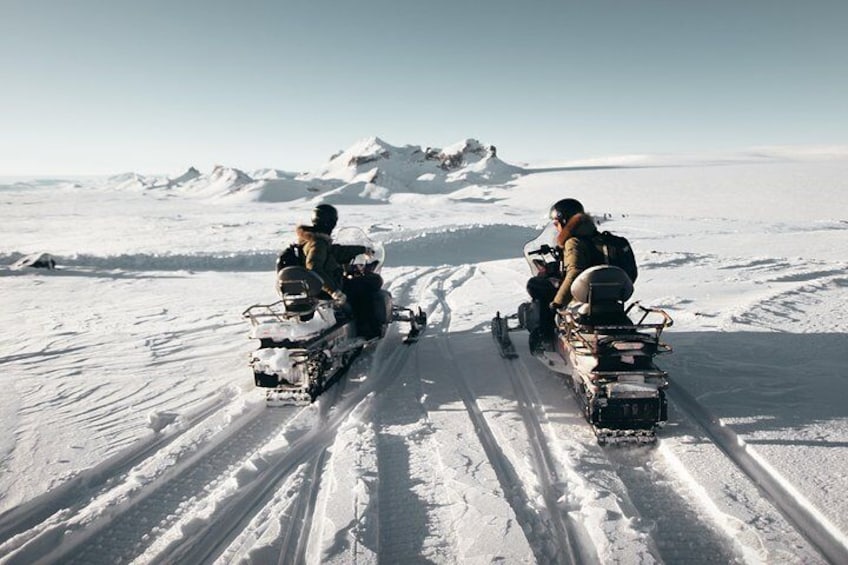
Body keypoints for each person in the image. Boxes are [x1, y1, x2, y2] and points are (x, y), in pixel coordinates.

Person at [526, 198, 602, 351]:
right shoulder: (596, 236)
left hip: (582, 292)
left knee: (538, 286)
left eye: (556, 224)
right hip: (604, 291)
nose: (557, 229)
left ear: (565, 221)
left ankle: (544, 337)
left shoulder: (573, 242)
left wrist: (557, 303)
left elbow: (574, 273)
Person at [296, 204, 367, 306]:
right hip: (325, 288)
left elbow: (335, 251)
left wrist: (362, 249)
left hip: (318, 286)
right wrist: (334, 291)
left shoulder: (312, 239)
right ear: (331, 222)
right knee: (372, 281)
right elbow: (314, 269)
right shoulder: (318, 243)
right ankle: (368, 321)